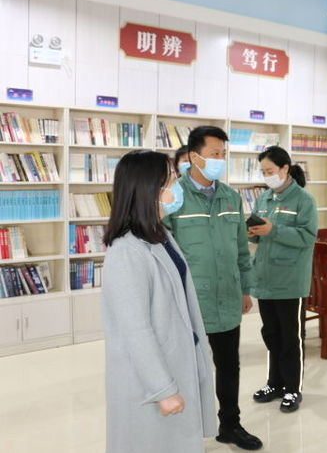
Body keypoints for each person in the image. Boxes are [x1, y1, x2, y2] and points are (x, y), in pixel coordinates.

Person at [101, 150, 216, 453]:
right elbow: (135, 329)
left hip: (176, 359)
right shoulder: (127, 251)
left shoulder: (159, 233)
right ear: (148, 188)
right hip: (150, 380)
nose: (178, 186)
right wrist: (163, 389)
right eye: (172, 180)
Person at [163, 126, 262, 451]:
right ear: (194, 157)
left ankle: (230, 425)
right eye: (214, 153)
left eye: (223, 153)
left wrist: (245, 289)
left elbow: (241, 250)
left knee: (229, 365)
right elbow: (163, 253)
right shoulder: (173, 197)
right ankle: (186, 432)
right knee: (188, 369)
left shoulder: (231, 197)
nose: (221, 159)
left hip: (227, 296)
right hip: (190, 301)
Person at [248, 146, 317, 413]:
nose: (267, 176)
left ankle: (292, 389)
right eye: (263, 172)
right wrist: (252, 232)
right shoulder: (264, 198)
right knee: (271, 334)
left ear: (285, 168)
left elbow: (307, 237)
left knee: (291, 338)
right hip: (265, 278)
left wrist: (273, 230)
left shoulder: (303, 200)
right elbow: (261, 237)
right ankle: (274, 384)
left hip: (290, 281)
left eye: (270, 171)